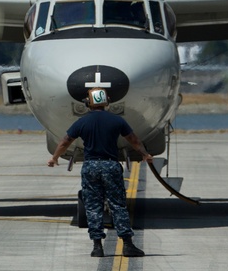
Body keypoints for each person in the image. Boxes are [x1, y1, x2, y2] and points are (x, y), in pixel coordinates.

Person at [47, 88, 152, 257]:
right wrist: (145, 155)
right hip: (110, 166)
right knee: (118, 205)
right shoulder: (117, 121)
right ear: (106, 102)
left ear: (88, 103)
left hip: (90, 167)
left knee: (93, 207)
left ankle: (97, 246)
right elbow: (134, 140)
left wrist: (54, 158)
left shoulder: (82, 122)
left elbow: (65, 141)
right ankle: (127, 244)